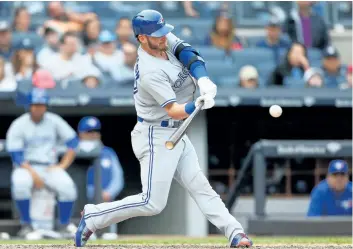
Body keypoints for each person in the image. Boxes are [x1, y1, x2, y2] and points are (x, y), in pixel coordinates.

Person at [74, 9, 252, 248]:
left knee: (200, 186)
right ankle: (93, 216)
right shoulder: (149, 71)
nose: (163, 37)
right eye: (156, 34)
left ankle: (235, 233)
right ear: (141, 38)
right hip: (156, 134)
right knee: (152, 203)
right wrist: (197, 103)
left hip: (176, 132)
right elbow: (174, 110)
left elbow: (189, 54)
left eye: (163, 32)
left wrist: (203, 80)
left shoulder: (163, 42)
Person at [6, 87, 79, 238]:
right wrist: (34, 175)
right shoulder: (19, 124)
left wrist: (63, 165)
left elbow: (73, 141)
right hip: (26, 167)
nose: (38, 108)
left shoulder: (54, 120)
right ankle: (26, 225)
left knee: (67, 187)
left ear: (46, 106)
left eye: (41, 104)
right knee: (20, 183)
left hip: (49, 166)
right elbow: (16, 155)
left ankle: (64, 225)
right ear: (29, 106)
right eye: (35, 104)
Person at [77, 116, 125, 203]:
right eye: (89, 131)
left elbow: (118, 177)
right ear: (81, 133)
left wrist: (109, 193)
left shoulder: (108, 152)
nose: (94, 134)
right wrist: (94, 193)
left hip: (105, 201)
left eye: (96, 131)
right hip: (80, 202)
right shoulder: (74, 153)